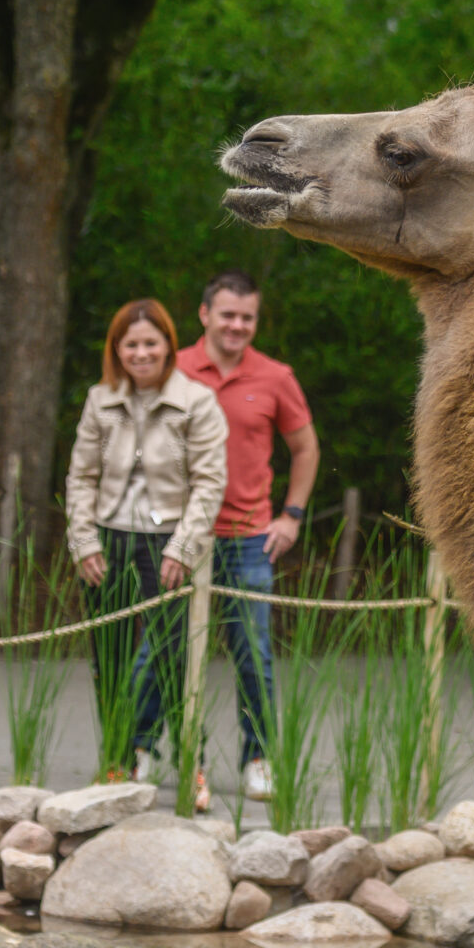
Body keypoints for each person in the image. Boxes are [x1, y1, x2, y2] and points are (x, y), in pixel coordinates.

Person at [66, 298, 227, 808]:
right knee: (109, 658)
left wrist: (183, 546)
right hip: (109, 538)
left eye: (150, 343)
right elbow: (81, 477)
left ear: (167, 346)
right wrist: (84, 540)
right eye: (130, 344)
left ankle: (190, 767)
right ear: (117, 349)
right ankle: (117, 762)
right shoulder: (100, 400)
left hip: (169, 543)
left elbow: (209, 481)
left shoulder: (196, 401)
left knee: (175, 657)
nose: (140, 352)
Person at [178, 270, 320, 800]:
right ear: (205, 314)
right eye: (228, 314)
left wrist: (292, 515)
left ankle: (257, 758)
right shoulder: (174, 370)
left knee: (252, 652)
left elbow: (305, 449)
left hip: (247, 538)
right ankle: (164, 754)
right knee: (168, 649)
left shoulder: (275, 376)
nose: (237, 325)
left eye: (247, 317)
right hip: (182, 536)